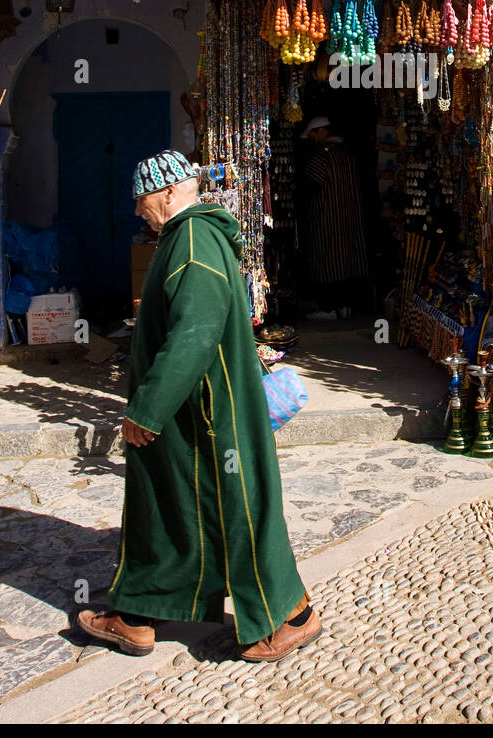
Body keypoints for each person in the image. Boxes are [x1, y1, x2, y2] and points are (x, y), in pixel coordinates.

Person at [76, 149, 321, 663]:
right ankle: (137, 614)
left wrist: (147, 409)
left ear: (168, 192)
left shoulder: (192, 240)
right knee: (166, 506)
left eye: (143, 199)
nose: (139, 209)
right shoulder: (186, 239)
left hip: (210, 413)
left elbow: (197, 330)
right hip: (192, 412)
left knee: (237, 511)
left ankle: (290, 615)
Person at [300, 116, 369, 319]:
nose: (311, 140)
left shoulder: (323, 157)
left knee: (328, 262)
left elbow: (309, 187)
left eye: (313, 134)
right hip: (349, 218)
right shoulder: (347, 154)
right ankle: (345, 306)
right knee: (347, 261)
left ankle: (330, 308)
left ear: (321, 132)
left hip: (328, 219)